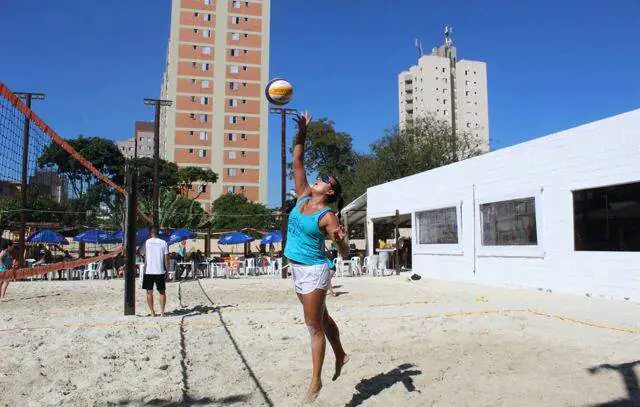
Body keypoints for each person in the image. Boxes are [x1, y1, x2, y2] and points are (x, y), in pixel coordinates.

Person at [285, 111, 350, 401]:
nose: (318, 178)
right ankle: (341, 354)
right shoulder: (301, 196)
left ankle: (315, 382)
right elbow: (297, 160)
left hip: (315, 271)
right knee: (322, 318)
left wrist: (341, 242)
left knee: (313, 326)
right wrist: (302, 132)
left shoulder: (328, 216)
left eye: (324, 179)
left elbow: (344, 253)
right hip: (297, 269)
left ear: (330, 190)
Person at [142, 227, 169, 316]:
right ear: (158, 233)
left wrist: (144, 268)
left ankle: (152, 312)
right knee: (162, 292)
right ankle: (162, 312)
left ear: (150, 233)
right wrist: (167, 271)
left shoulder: (147, 242)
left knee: (149, 292)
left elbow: (145, 257)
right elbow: (166, 259)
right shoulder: (164, 243)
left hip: (149, 271)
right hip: (160, 270)